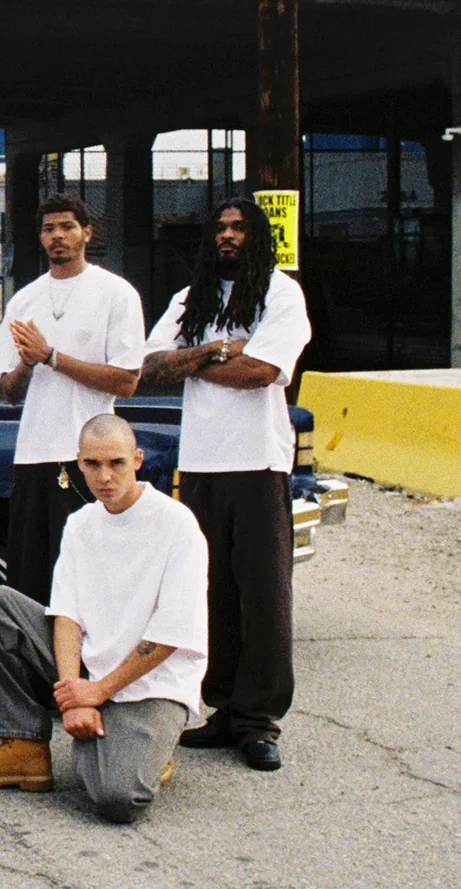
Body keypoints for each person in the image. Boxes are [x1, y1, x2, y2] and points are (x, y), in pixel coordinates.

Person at [0, 414, 207, 824]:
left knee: (117, 798)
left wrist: (97, 692)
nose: (104, 477)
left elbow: (170, 634)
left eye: (116, 463)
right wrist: (73, 694)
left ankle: (146, 749)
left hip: (152, 683)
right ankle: (24, 748)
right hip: (90, 670)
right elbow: (67, 616)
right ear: (78, 463)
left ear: (137, 459)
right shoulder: (81, 524)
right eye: (92, 464)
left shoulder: (177, 525)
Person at [140, 198, 311, 772]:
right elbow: (151, 367)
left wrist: (191, 362)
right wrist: (214, 349)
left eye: (238, 228)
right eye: (219, 228)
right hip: (201, 464)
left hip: (258, 463)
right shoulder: (192, 299)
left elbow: (261, 372)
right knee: (212, 592)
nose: (227, 236)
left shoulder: (280, 294)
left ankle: (258, 721)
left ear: (257, 236)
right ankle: (223, 708)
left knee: (263, 595)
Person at [0, 193, 145, 605]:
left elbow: (126, 381)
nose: (58, 235)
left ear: (87, 233)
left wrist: (52, 357)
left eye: (67, 227)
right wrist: (27, 364)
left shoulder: (116, 293)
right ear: (41, 237)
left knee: (86, 580)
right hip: (33, 455)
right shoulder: (24, 300)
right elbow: (10, 392)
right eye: (49, 229)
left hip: (88, 457)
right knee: (31, 580)